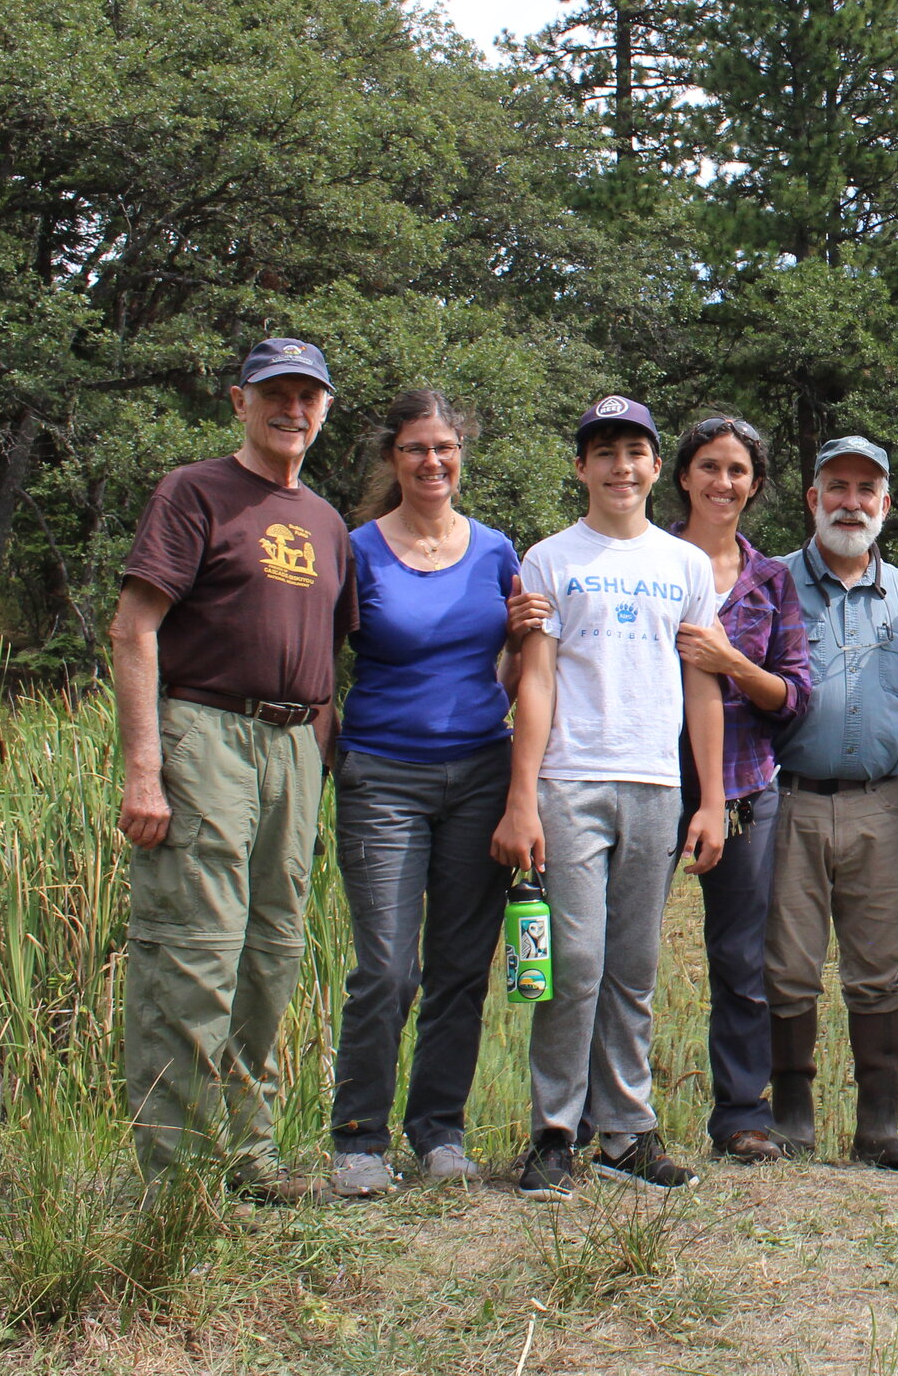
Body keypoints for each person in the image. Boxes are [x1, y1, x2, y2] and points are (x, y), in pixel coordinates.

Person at [109, 337, 357, 1198]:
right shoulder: (195, 491)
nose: (293, 410)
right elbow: (133, 627)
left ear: (324, 409)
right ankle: (173, 1186)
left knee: (271, 954)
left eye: (308, 397)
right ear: (239, 401)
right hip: (207, 730)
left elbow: (331, 648)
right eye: (275, 395)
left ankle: (249, 1159)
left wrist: (318, 770)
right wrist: (146, 770)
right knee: (194, 953)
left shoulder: (328, 522)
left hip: (296, 746)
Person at [494, 396, 726, 1200]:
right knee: (575, 960)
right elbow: (537, 677)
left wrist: (713, 797)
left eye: (635, 452)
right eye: (604, 452)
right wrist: (521, 798)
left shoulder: (686, 566)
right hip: (569, 780)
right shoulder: (551, 557)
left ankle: (627, 1132)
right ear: (581, 465)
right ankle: (555, 1130)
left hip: (657, 784)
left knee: (633, 965)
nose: (620, 467)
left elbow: (703, 688)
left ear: (656, 466)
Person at [326, 391, 547, 1197]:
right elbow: (325, 662)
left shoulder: (496, 552)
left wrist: (523, 637)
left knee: (459, 966)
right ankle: (358, 1138)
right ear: (394, 458)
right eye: (416, 448)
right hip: (382, 774)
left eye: (445, 447)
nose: (432, 462)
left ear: (463, 454)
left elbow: (517, 674)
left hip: (480, 775)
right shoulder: (357, 550)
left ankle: (439, 1133)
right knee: (386, 967)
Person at [764, 436, 898, 1170]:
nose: (851, 502)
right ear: (812, 498)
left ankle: (878, 1124)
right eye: (837, 486)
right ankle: (792, 1119)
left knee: (879, 964)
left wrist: (883, 735)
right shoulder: (770, 581)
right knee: (787, 964)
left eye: (868, 490)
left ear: (886, 504)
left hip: (879, 804)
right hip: (790, 800)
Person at [664, 415, 813, 1166]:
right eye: (710, 467)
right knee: (618, 952)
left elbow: (793, 697)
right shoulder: (646, 559)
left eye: (738, 470)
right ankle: (606, 1113)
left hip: (747, 786)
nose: (724, 482)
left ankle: (741, 1115)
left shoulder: (772, 580)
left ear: (754, 485)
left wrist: (729, 662)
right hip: (651, 779)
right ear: (684, 475)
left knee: (741, 959)